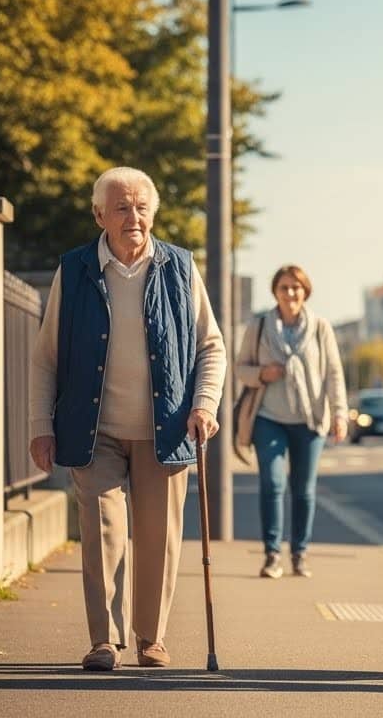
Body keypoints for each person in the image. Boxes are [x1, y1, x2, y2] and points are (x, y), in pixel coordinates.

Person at [29, 166, 225, 672]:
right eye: (121, 207)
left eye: (141, 207)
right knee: (102, 528)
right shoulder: (74, 271)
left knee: (158, 537)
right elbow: (46, 356)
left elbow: (210, 346)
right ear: (99, 215)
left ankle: (150, 637)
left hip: (166, 428)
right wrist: (40, 425)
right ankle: (105, 640)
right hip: (95, 429)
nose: (132, 216)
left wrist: (204, 404)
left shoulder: (180, 268)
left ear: (153, 213)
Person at [234, 264, 348, 579]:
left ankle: (299, 553)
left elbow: (333, 374)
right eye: (284, 288)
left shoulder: (321, 328)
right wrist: (261, 374)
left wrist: (339, 412)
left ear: (305, 291)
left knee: (304, 490)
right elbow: (239, 368)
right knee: (272, 483)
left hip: (309, 420)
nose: (290, 293)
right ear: (276, 292)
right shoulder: (258, 328)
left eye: (296, 287)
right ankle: (272, 554)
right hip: (268, 418)